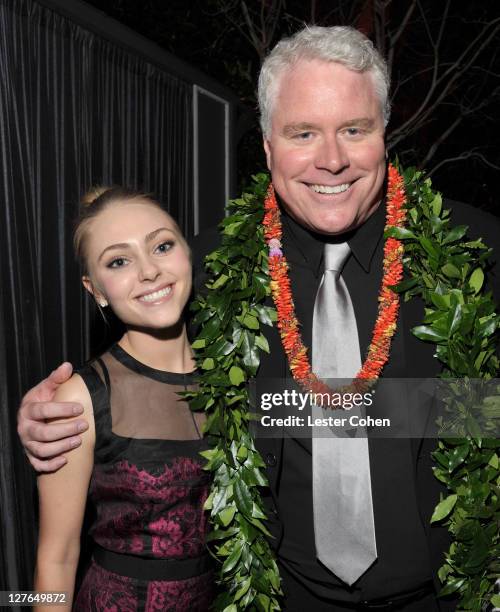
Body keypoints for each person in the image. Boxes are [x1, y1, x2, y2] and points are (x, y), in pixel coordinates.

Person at [19, 26, 499, 611]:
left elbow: (482, 410)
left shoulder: (476, 252)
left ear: (384, 135)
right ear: (269, 146)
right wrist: (53, 417)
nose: (332, 159)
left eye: (354, 128)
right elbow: (136, 383)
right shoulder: (207, 271)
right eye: (304, 133)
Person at [32, 187, 213, 611]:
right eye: (119, 261)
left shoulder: (234, 370)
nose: (149, 271)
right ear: (95, 289)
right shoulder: (79, 397)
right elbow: (56, 560)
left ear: (188, 253)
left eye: (162, 246)